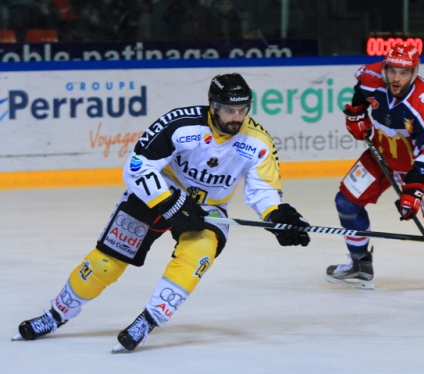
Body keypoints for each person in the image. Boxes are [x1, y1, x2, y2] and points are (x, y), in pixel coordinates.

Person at [13, 73, 311, 351]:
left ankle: (149, 319)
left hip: (209, 208)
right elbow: (137, 166)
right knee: (107, 262)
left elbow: (263, 191)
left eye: (242, 109)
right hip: (157, 194)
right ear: (213, 106)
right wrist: (171, 202)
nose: (237, 117)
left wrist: (276, 215)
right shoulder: (180, 124)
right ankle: (56, 314)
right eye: (229, 110)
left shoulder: (258, 142)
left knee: (197, 255)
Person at [325, 42, 424, 290]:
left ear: (415, 72)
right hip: (381, 156)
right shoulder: (372, 75)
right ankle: (360, 263)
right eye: (391, 71)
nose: (396, 78)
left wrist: (413, 189)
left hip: (421, 162)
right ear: (384, 68)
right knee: (346, 203)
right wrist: (357, 113)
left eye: (403, 73)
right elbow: (361, 90)